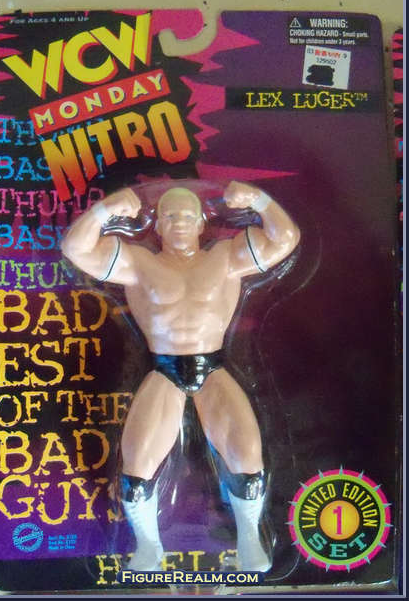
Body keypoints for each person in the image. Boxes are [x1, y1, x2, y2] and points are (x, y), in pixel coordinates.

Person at [61, 180, 300, 572]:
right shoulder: (139, 263)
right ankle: (147, 547)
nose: (180, 222)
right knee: (138, 465)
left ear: (202, 223)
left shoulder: (225, 257)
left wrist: (258, 199)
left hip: (213, 367)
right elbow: (76, 248)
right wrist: (106, 210)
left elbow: (285, 237)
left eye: (188, 215)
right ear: (158, 225)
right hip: (165, 369)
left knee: (246, 455)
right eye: (170, 216)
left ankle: (249, 539)